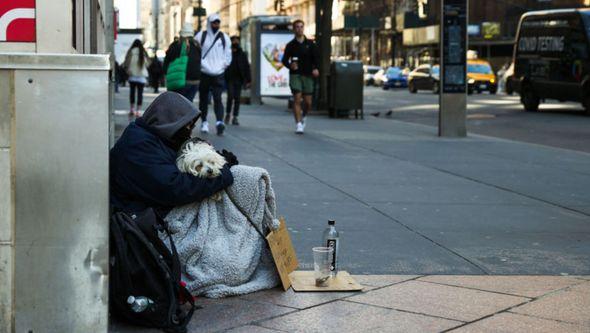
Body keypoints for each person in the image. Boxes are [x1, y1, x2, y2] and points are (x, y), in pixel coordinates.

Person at [110, 92, 236, 215]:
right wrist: (222, 172)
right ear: (169, 122)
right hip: (137, 219)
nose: (189, 132)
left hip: (151, 208)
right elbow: (175, 188)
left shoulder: (152, 134)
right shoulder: (139, 145)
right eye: (186, 126)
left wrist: (216, 158)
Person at [195, 13, 232, 136]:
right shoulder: (201, 36)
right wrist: (201, 65)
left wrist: (223, 65)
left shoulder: (224, 38)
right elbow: (195, 52)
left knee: (217, 98)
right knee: (203, 99)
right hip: (204, 72)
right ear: (209, 23)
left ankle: (219, 122)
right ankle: (204, 122)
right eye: (214, 22)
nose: (216, 25)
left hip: (218, 73)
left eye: (218, 22)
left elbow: (228, 54)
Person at [281, 19, 319, 134]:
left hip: (307, 74)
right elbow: (284, 60)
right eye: (297, 27)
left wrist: (316, 68)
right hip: (295, 75)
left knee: (308, 102)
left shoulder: (311, 44)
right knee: (297, 98)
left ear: (304, 28)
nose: (299, 29)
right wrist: (290, 65)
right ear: (294, 29)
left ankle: (304, 115)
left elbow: (315, 59)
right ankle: (298, 124)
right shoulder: (290, 45)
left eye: (301, 26)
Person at [164, 23, 201, 102]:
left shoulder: (176, 45)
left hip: (180, 81)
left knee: (178, 104)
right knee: (188, 103)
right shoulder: (197, 45)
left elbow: (166, 62)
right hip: (195, 81)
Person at [224, 36, 251, 126]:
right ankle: (228, 114)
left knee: (237, 98)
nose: (235, 42)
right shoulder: (228, 52)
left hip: (239, 79)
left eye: (237, 41)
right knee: (230, 97)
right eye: (234, 41)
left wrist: (248, 80)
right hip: (230, 79)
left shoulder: (242, 54)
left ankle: (235, 117)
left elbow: (246, 67)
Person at [123, 39, 151, 117]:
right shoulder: (143, 52)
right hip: (141, 77)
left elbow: (126, 63)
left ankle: (132, 109)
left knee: (132, 93)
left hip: (132, 76)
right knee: (140, 94)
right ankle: (138, 111)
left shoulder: (131, 51)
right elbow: (148, 63)